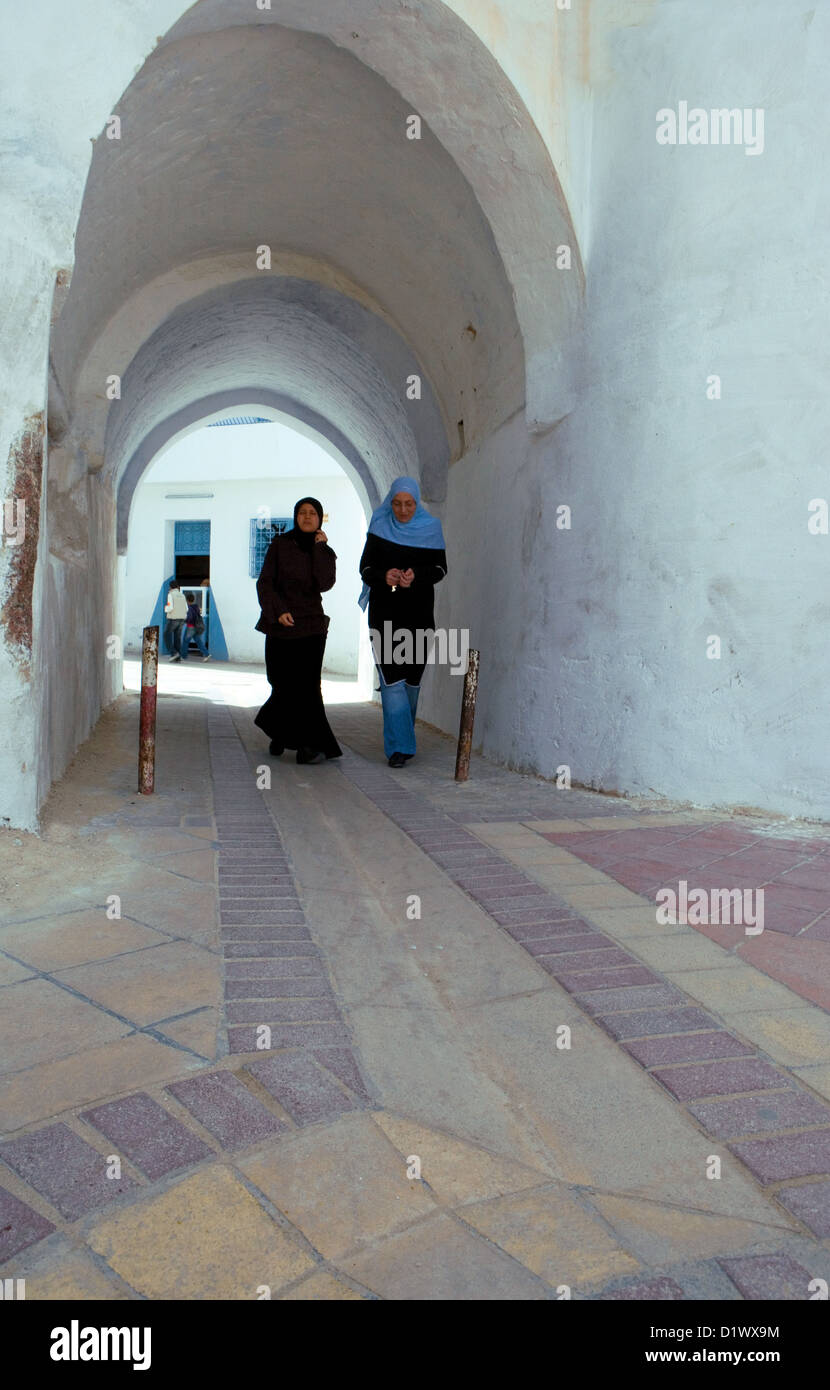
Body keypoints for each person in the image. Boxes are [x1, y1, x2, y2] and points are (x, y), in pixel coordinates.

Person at [358, 476, 446, 767]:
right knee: (392, 680)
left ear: (417, 502)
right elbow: (365, 568)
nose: (403, 510)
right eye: (397, 504)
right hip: (384, 616)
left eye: (409, 504)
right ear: (390, 502)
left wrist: (416, 576)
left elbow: (440, 568)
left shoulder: (431, 528)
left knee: (411, 681)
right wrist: (383, 576)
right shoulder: (379, 527)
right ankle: (399, 747)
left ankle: (403, 739)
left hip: (419, 616)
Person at [254, 497, 342, 764]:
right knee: (281, 683)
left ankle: (307, 746)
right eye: (302, 512)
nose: (307, 517)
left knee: (307, 687)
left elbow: (325, 583)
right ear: (295, 517)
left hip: (311, 626)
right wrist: (278, 610)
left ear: (320, 519)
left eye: (313, 513)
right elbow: (265, 582)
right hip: (280, 625)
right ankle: (280, 733)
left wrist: (320, 548)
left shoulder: (324, 550)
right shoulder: (280, 545)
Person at [181, 591, 211, 661]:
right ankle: (207, 654)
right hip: (196, 627)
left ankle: (183, 656)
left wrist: (184, 621)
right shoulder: (196, 607)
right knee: (198, 641)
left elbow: (190, 618)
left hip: (190, 627)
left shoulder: (189, 608)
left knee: (185, 641)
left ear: (187, 600)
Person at [164, 580, 187, 661]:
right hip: (182, 619)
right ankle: (178, 656)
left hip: (173, 619)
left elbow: (170, 608)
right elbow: (186, 608)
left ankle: (173, 653)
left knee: (166, 635)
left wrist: (165, 609)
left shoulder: (170, 595)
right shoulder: (182, 595)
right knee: (177, 637)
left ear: (170, 587)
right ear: (177, 587)